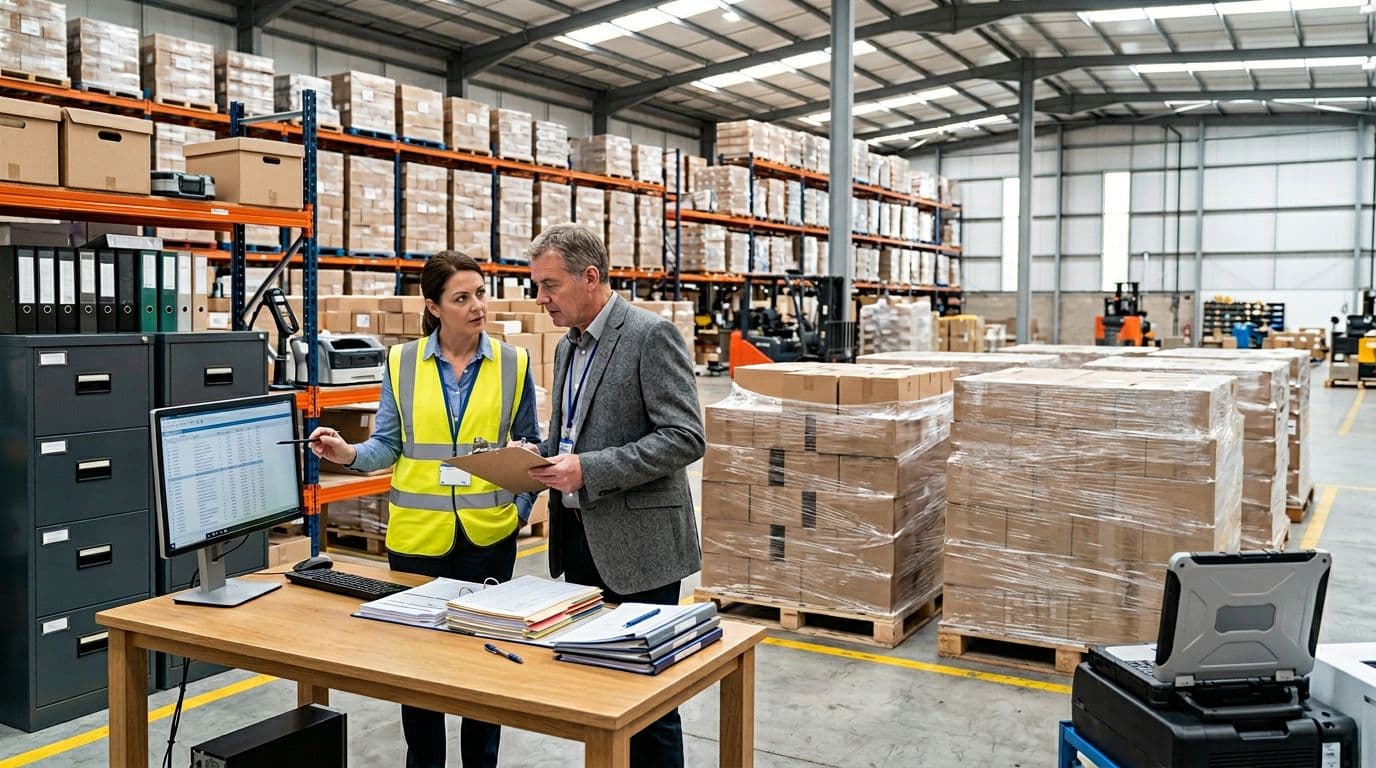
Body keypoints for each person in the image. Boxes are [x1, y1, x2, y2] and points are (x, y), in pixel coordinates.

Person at [309, 251, 540, 768]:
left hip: (489, 539)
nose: (477, 306)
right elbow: (387, 447)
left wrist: (520, 510)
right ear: (433, 306)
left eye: (481, 293)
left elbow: (530, 447)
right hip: (417, 541)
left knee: (483, 670)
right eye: (462, 298)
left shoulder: (512, 362)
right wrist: (347, 455)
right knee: (418, 674)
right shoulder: (402, 363)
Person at [524, 223, 705, 768]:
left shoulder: (651, 336)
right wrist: (535, 458)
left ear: (591, 277)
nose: (541, 299)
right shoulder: (567, 348)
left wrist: (590, 469)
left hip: (640, 548)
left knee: (648, 702)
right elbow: (571, 432)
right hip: (579, 540)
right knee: (596, 694)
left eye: (550, 285)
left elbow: (685, 437)